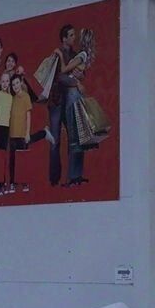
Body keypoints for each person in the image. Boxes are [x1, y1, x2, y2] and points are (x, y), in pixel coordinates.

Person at [49, 24, 90, 187]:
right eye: (71, 35)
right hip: (56, 100)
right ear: (64, 38)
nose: (74, 38)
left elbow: (79, 73)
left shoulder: (75, 55)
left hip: (70, 100)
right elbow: (58, 77)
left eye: (74, 35)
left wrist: (80, 76)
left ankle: (75, 176)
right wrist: (75, 81)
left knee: (76, 136)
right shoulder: (56, 55)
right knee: (55, 140)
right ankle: (54, 178)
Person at [7, 74, 49, 192]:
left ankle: (24, 183)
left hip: (22, 133)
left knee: (23, 160)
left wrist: (27, 133)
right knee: (13, 160)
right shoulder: (12, 98)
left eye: (17, 83)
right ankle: (13, 183)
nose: (15, 86)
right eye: (13, 84)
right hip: (12, 134)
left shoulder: (25, 97)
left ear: (20, 83)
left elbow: (28, 116)